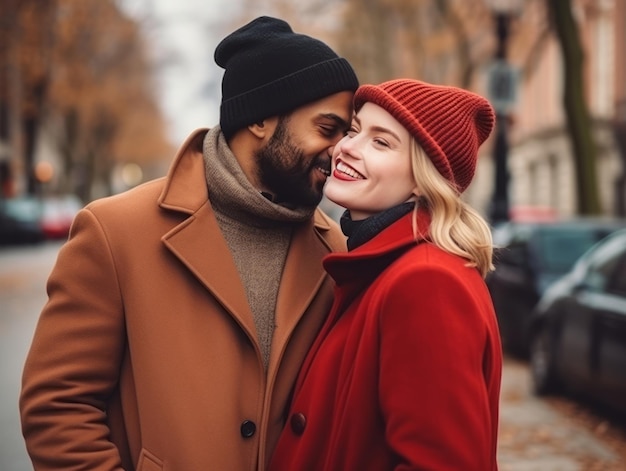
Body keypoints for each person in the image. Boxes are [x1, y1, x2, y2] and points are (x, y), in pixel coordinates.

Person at [19, 16, 358, 471]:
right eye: (327, 128)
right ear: (260, 118)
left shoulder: (335, 250)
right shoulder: (114, 231)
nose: (340, 151)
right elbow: (57, 407)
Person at [268, 79, 503, 471]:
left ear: (422, 181)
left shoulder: (426, 283)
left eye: (381, 142)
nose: (347, 148)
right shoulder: (380, 268)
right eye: (356, 130)